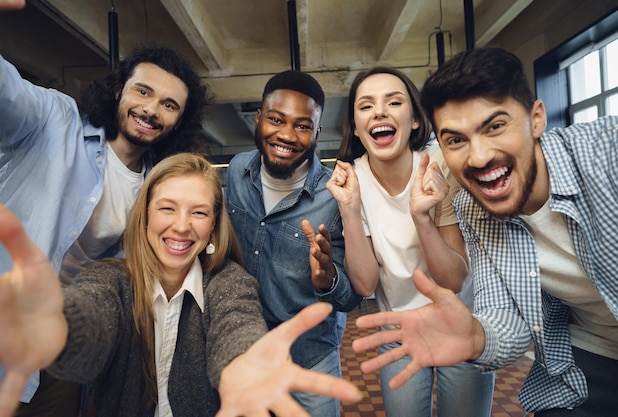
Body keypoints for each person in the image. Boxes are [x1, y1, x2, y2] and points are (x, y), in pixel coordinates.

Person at [351, 47, 618, 416]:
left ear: (536, 119)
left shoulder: (612, 152)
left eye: (495, 126)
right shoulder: (474, 209)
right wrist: (477, 336)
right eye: (456, 140)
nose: (478, 157)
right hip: (591, 356)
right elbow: (505, 319)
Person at [0, 152, 362, 417]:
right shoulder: (111, 278)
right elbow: (92, 316)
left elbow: (237, 327)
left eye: (199, 212)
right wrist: (59, 326)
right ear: (144, 218)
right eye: (167, 208)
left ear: (213, 227)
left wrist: (244, 366)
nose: (182, 226)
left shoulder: (229, 283)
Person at [0, 15, 212, 415]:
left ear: (179, 121)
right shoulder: (55, 122)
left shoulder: (156, 188)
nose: (151, 110)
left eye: (168, 105)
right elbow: (7, 93)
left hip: (66, 331)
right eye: (143, 92)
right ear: (119, 90)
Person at [326, 66, 494, 417]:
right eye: (366, 106)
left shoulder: (439, 169)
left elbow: (453, 278)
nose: (380, 112)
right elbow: (365, 283)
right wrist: (350, 210)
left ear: (415, 120)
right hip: (398, 328)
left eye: (394, 101)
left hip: (459, 321)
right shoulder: (351, 179)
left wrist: (422, 217)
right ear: (356, 127)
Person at [225, 70, 363, 417]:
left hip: (308, 356)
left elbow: (352, 296)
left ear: (317, 132)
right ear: (258, 119)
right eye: (276, 119)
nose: (286, 135)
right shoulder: (238, 170)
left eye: (302, 125)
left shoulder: (334, 196)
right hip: (242, 346)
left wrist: (327, 278)